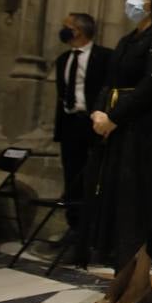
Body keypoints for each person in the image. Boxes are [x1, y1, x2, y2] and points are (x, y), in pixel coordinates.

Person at [84, 0, 152, 303]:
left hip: (145, 130)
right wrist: (99, 112)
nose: (132, 0)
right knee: (118, 202)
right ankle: (121, 275)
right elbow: (110, 81)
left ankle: (140, 282)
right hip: (120, 128)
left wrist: (114, 117)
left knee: (140, 203)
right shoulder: (128, 40)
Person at [53, 12, 111, 228]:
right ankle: (74, 228)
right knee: (72, 175)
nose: (64, 29)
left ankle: (96, 228)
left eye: (67, 25)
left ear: (79, 30)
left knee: (96, 175)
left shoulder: (104, 56)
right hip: (70, 122)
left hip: (94, 122)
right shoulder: (63, 60)